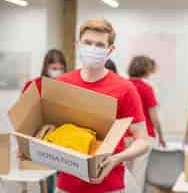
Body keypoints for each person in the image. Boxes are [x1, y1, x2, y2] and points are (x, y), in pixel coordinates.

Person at [54, 18, 149, 193]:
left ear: (110, 50)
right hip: (67, 184)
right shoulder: (63, 84)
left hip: (108, 184)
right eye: (88, 43)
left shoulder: (125, 89)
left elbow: (143, 140)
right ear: (77, 44)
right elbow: (51, 129)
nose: (92, 48)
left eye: (99, 45)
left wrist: (117, 158)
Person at [22, 48, 67, 193]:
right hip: (39, 137)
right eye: (54, 68)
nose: (57, 71)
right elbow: (23, 111)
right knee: (44, 176)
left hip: (62, 138)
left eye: (61, 68)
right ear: (46, 67)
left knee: (62, 175)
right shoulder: (34, 84)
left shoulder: (67, 85)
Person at [127, 55, 166, 193]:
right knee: (138, 176)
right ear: (146, 70)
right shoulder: (146, 89)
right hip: (144, 136)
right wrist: (161, 136)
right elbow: (154, 117)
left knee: (125, 176)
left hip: (124, 135)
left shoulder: (124, 85)